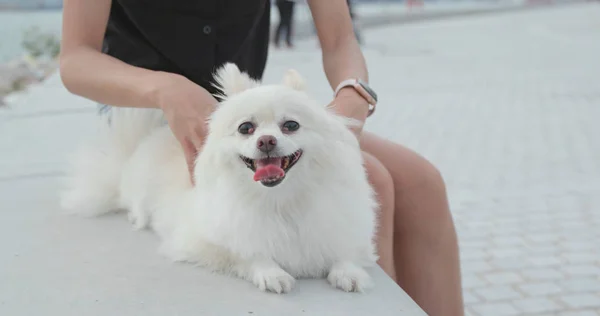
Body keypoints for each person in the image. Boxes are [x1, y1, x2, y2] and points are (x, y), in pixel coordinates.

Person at [59, 0, 464, 314]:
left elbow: (341, 42)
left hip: (251, 111)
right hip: (150, 112)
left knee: (421, 182)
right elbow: (75, 59)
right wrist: (164, 89)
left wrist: (352, 96)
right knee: (374, 178)